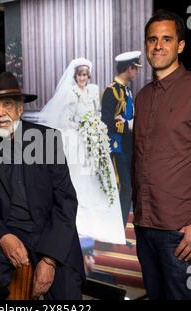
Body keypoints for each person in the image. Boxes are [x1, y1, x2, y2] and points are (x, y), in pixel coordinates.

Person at [0, 72, 85, 300]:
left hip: (49, 232)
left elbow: (66, 201)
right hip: (2, 232)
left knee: (66, 294)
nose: (0, 113)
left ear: (19, 108)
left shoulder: (47, 139)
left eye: (7, 104)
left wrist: (49, 259)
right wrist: (3, 236)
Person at [132, 9, 191, 300]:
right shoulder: (143, 96)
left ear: (180, 46)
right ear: (146, 45)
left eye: (167, 39)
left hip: (181, 232)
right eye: (152, 39)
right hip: (144, 228)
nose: (158, 45)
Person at [35, 58, 126, 246]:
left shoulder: (93, 91)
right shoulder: (70, 93)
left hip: (93, 141)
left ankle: (99, 225)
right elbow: (65, 119)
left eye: (85, 75)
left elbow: (97, 112)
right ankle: (79, 224)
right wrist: (83, 127)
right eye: (80, 75)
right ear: (75, 76)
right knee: (79, 183)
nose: (83, 78)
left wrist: (95, 128)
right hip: (77, 140)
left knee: (96, 180)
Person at [101, 51, 142, 230]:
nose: (137, 72)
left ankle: (120, 228)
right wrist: (127, 124)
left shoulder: (126, 89)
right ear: (129, 69)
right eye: (135, 69)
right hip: (116, 148)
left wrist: (128, 122)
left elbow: (127, 116)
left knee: (128, 188)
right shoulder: (111, 91)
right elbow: (107, 122)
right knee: (121, 187)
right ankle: (116, 229)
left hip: (127, 145)